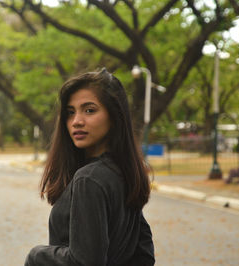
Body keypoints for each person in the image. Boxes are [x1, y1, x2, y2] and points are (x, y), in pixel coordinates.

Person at [25, 68, 155, 266]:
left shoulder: (89, 179)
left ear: (114, 116)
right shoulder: (123, 173)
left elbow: (85, 262)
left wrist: (36, 256)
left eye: (89, 110)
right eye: (70, 112)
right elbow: (144, 255)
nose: (77, 121)